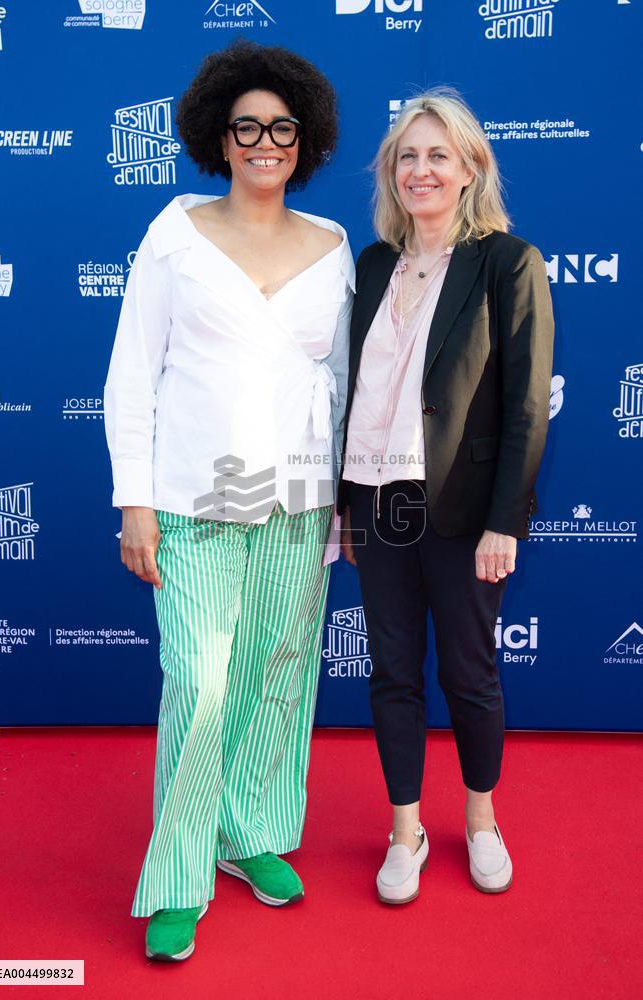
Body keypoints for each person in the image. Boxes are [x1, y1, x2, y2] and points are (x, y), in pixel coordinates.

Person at [104, 40, 353, 961]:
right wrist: (135, 502)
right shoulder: (173, 234)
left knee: (276, 681)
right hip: (192, 504)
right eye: (246, 126)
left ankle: (248, 835)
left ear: (305, 139)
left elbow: (338, 383)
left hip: (298, 502)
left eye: (281, 128)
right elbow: (132, 378)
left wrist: (342, 506)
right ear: (218, 134)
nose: (264, 142)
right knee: (202, 685)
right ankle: (177, 876)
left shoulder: (330, 248)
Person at [338, 90, 553, 904]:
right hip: (377, 502)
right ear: (391, 175)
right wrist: (341, 502)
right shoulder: (371, 264)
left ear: (470, 170)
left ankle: (482, 819)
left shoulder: (507, 262)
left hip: (463, 510)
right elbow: (346, 390)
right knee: (392, 670)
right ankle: (405, 830)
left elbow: (528, 403)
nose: (420, 170)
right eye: (407, 157)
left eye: (438, 156)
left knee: (469, 672)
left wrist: (507, 521)